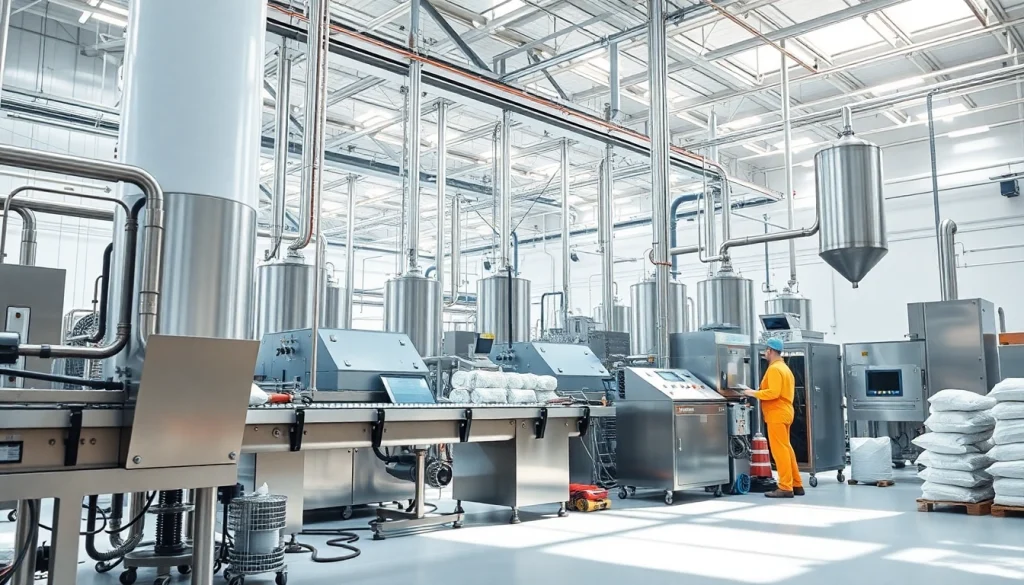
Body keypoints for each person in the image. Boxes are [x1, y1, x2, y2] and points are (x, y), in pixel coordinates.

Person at [743, 337, 804, 498]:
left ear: (770, 350)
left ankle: (785, 487)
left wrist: (752, 393)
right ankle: (796, 484)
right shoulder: (785, 369)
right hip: (785, 411)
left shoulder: (775, 369)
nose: (764, 353)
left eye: (765, 350)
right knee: (787, 448)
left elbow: (773, 393)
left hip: (777, 413)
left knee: (779, 450)